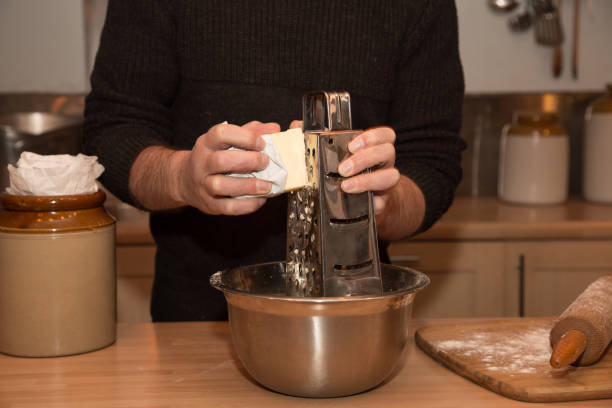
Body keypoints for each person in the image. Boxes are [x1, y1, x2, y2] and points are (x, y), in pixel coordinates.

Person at [84, 0, 466, 321]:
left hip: (353, 314)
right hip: (192, 321)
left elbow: (431, 164)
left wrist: (382, 205)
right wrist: (181, 178)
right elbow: (113, 132)